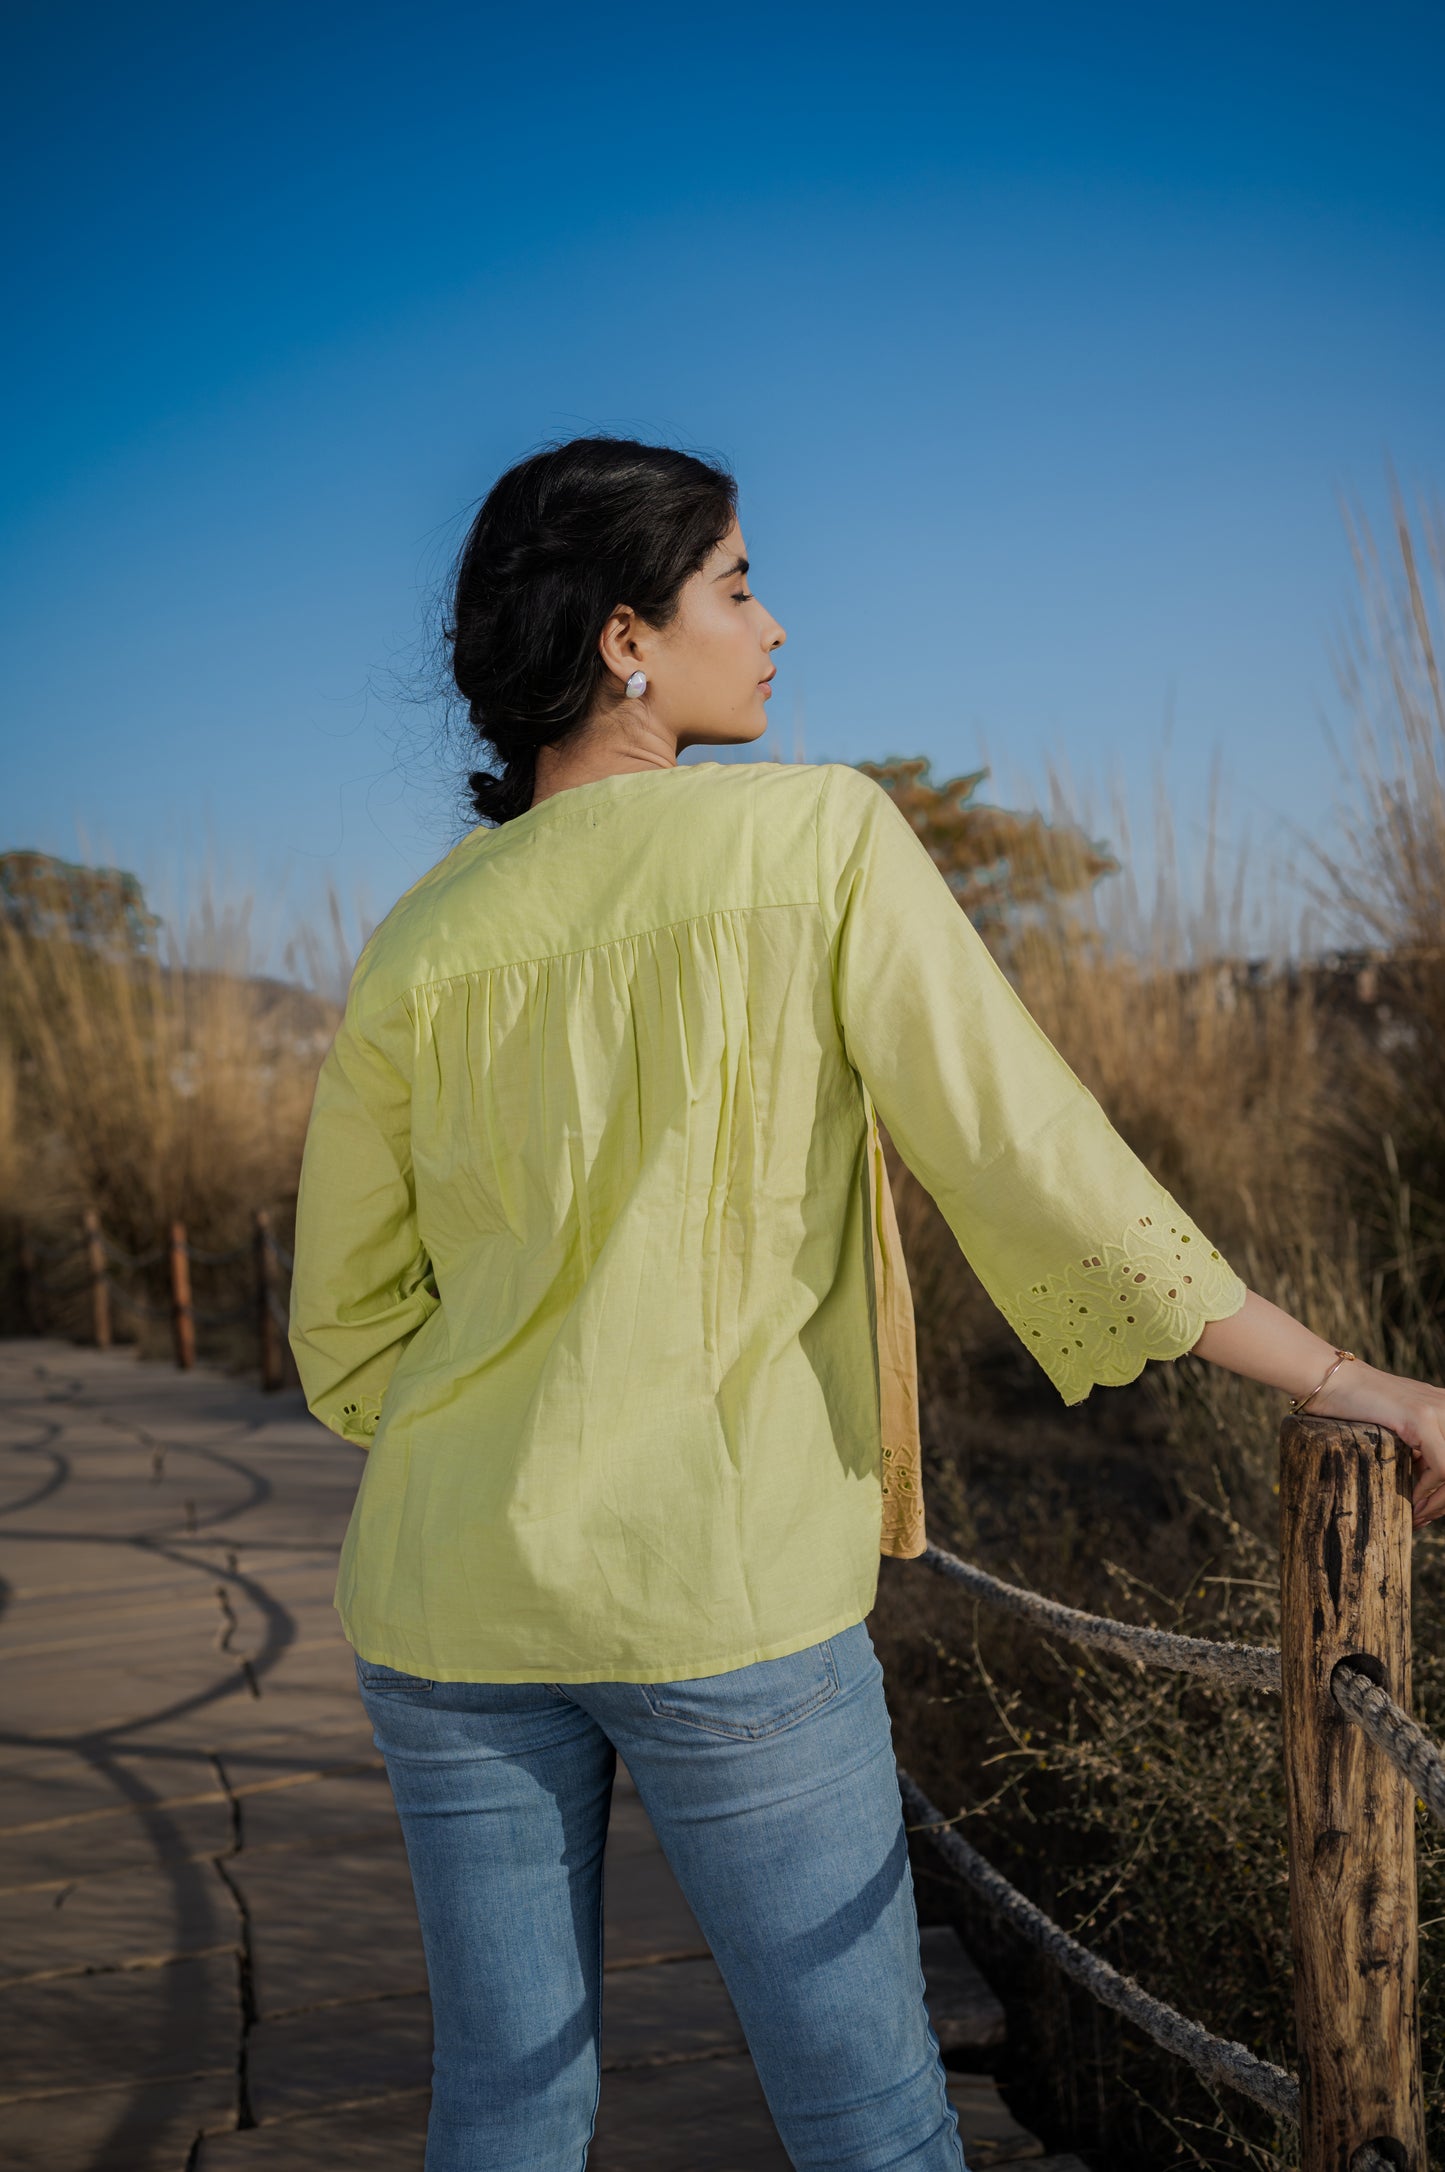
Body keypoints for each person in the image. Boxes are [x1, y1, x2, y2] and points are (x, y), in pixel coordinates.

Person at [288, 433, 1445, 2172]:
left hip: (443, 1589)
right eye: (737, 584)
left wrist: (498, 1432)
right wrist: (1340, 1376)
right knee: (869, 2122)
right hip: (723, 1582)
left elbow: (343, 1331)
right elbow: (1030, 1160)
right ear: (624, 636)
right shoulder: (815, 835)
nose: (772, 625)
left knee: (505, 2103)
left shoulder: (415, 940)